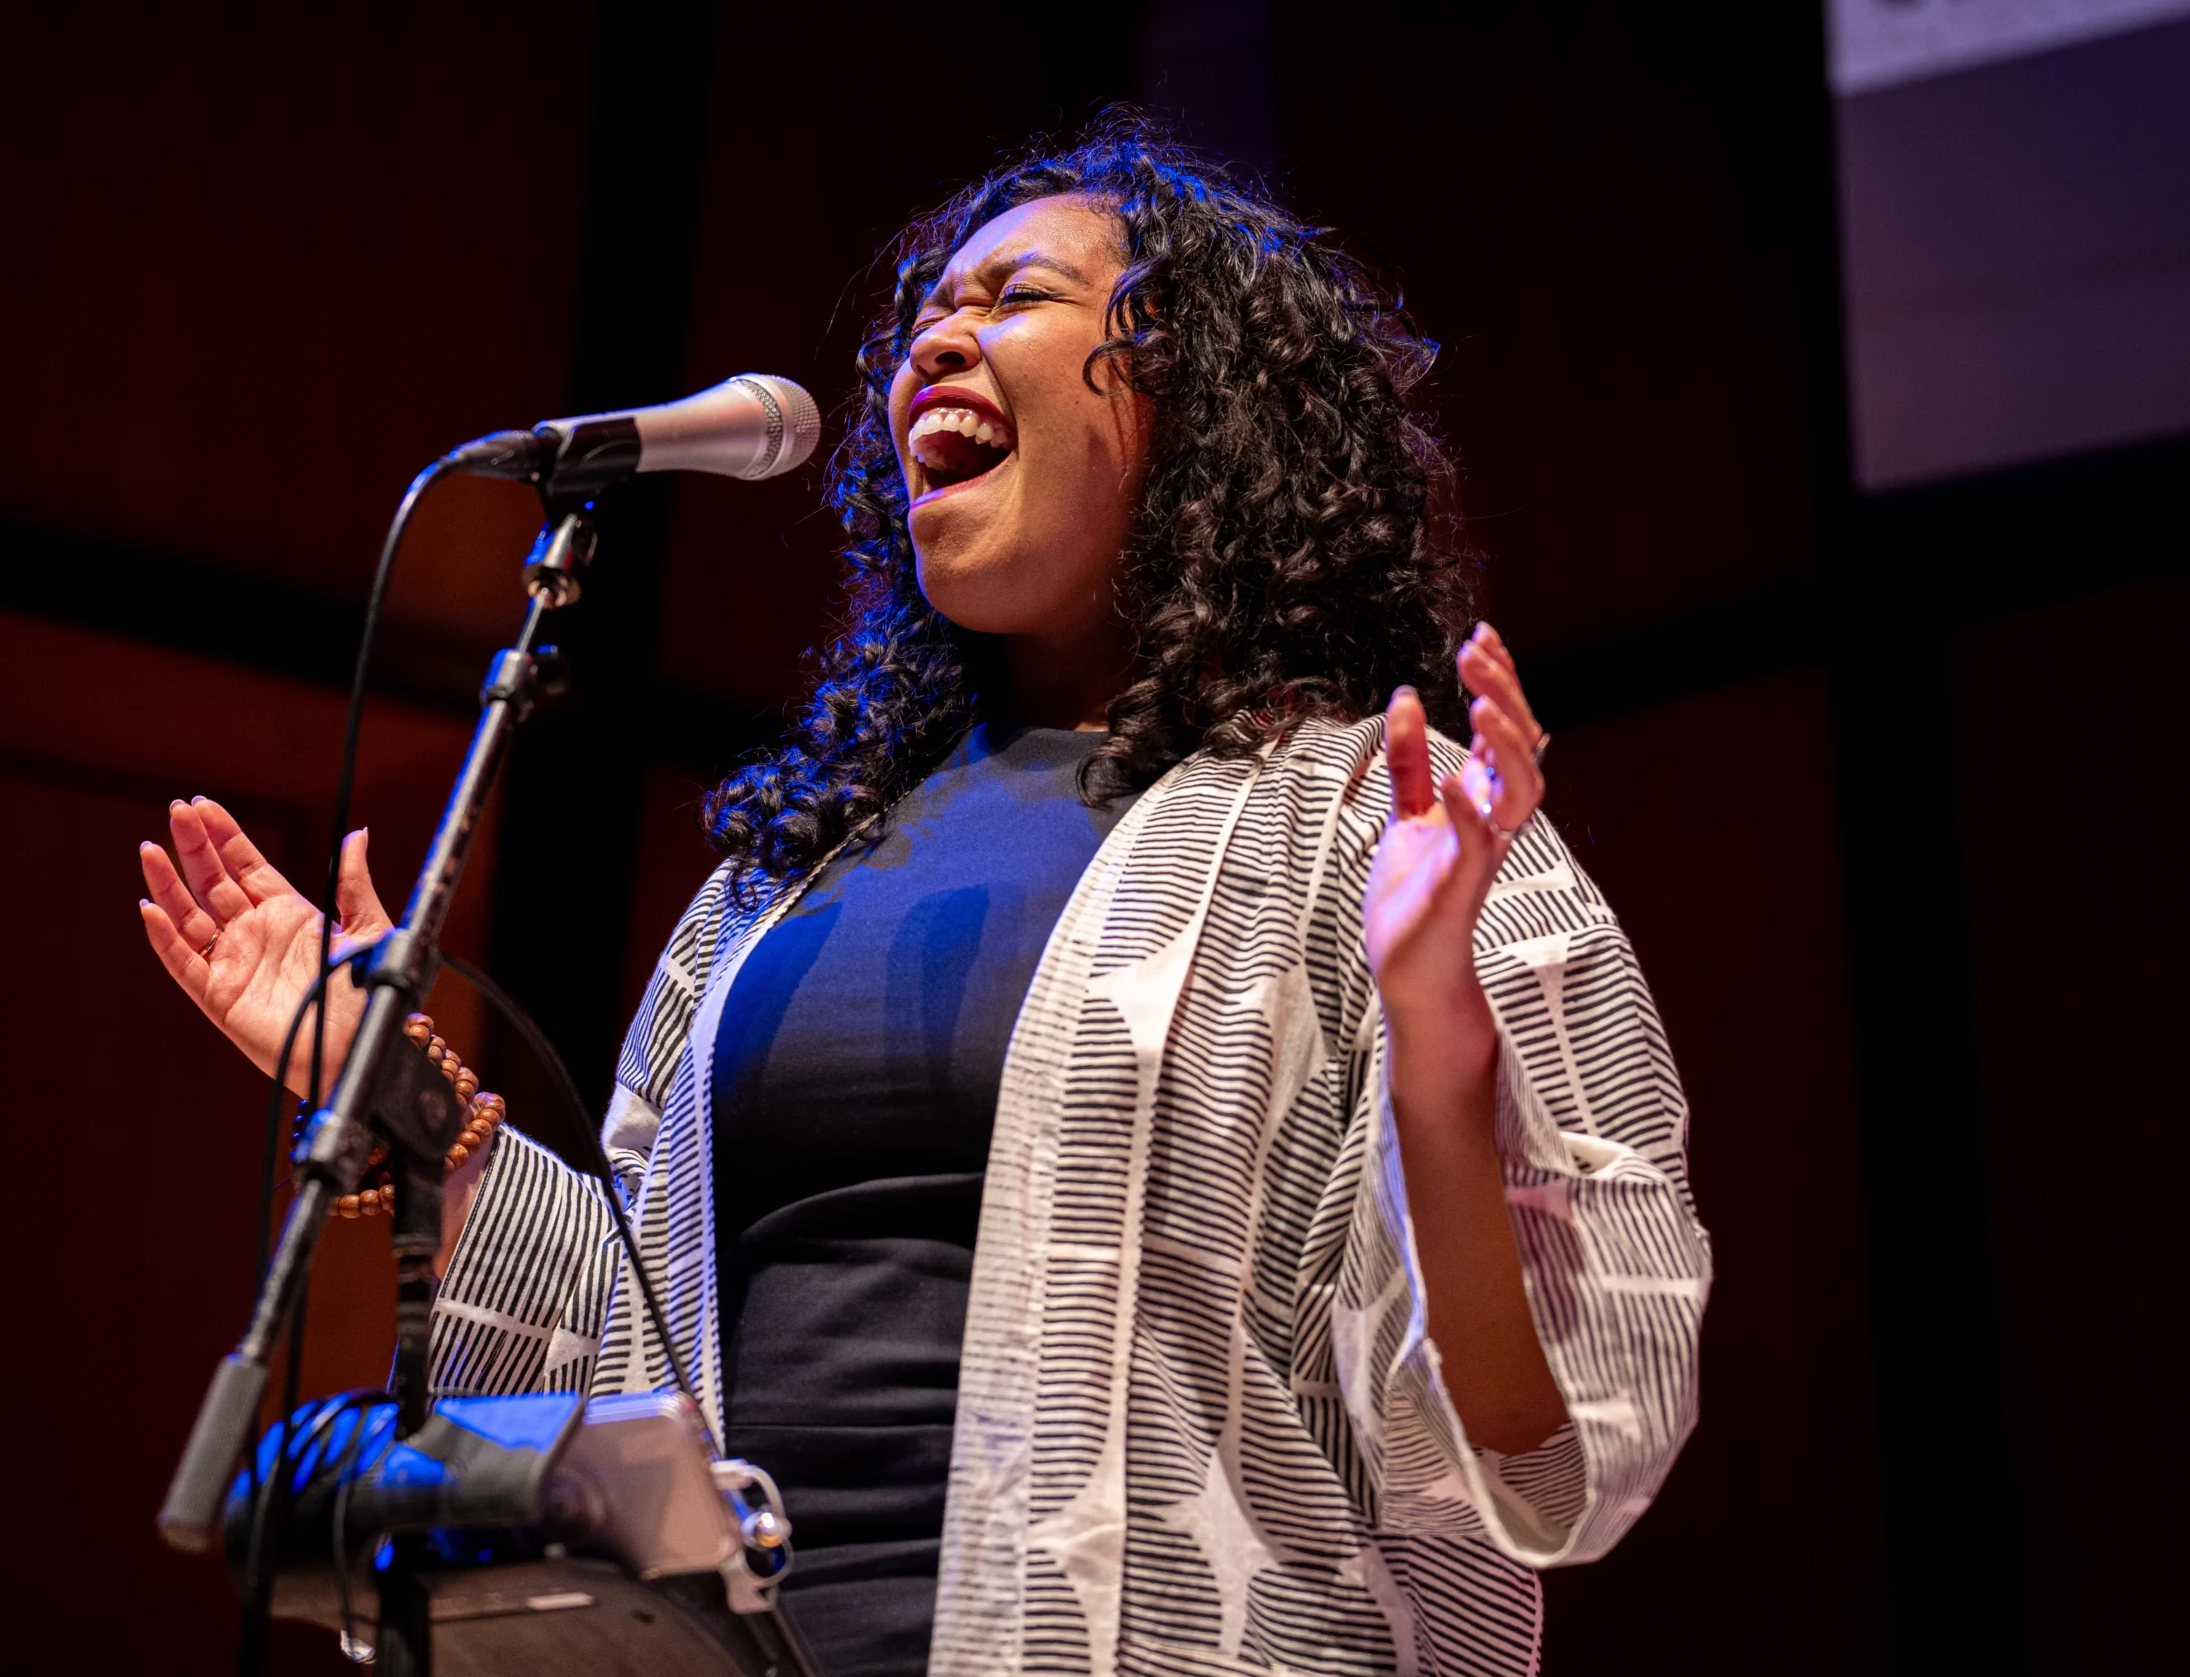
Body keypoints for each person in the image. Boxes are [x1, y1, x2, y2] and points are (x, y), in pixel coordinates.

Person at [137, 115, 1708, 1677]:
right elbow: (643, 1347)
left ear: (1199, 398)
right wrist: (401, 1098)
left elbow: (1539, 1454)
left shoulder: (1384, 813)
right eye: (920, 320)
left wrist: (1439, 1049)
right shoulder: (781, 878)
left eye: (1011, 297)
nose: (933, 346)